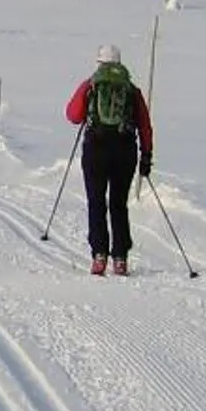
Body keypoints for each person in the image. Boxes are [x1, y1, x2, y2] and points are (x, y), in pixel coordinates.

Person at [65, 42, 154, 275]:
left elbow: (73, 116)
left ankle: (99, 255)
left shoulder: (91, 85)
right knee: (118, 204)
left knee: (96, 202)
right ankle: (121, 257)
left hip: (96, 149)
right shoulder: (131, 90)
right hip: (125, 151)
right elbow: (145, 125)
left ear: (99, 62)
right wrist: (146, 155)